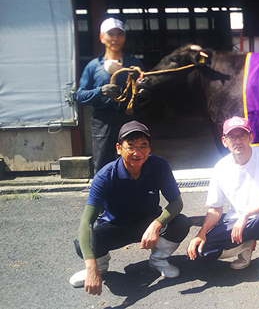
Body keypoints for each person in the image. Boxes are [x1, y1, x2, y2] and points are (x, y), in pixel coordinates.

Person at [69, 120, 191, 295]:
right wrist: (91, 267)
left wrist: (156, 225)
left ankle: (158, 260)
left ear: (149, 149)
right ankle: (99, 268)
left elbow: (176, 203)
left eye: (143, 146)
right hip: (116, 227)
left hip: (148, 225)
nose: (137, 152)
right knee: (85, 242)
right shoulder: (105, 176)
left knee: (181, 222)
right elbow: (86, 222)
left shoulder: (159, 166)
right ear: (119, 148)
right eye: (131, 146)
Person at [186, 116, 259, 289]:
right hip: (236, 224)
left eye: (242, 135)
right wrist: (202, 233)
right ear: (224, 141)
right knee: (200, 255)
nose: (237, 141)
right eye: (232, 137)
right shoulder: (220, 167)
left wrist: (247, 213)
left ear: (250, 137)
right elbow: (215, 209)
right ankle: (244, 246)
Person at [76, 17, 145, 174]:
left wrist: (141, 86)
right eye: (110, 34)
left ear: (124, 37)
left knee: (133, 159)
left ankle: (132, 193)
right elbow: (80, 95)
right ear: (102, 37)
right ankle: (102, 196)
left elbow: (146, 87)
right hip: (103, 119)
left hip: (129, 117)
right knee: (102, 162)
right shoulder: (93, 66)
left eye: (119, 34)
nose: (115, 38)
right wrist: (100, 91)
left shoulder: (134, 64)